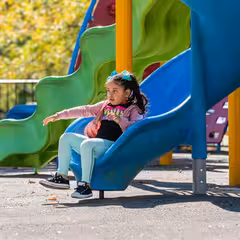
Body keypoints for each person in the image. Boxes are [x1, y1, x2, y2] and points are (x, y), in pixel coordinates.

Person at [39, 70, 148, 199]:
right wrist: (59, 115)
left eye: (115, 91)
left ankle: (85, 186)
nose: (110, 94)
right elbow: (85, 110)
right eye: (108, 90)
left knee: (87, 144)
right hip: (96, 145)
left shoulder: (133, 110)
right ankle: (62, 177)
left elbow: (136, 130)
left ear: (127, 93)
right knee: (66, 137)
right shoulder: (105, 106)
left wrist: (120, 120)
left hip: (115, 147)